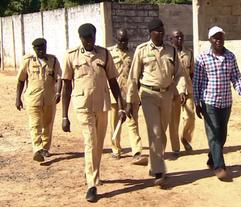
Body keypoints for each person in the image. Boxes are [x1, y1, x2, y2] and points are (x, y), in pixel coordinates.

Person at [61, 23, 126, 202]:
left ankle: (92, 173)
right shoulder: (71, 55)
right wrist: (64, 116)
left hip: (102, 104)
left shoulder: (104, 54)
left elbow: (113, 81)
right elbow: (66, 86)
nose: (90, 41)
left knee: (98, 144)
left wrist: (120, 105)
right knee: (90, 142)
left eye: (92, 37)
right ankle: (92, 184)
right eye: (87, 38)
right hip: (82, 105)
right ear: (81, 38)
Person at [126, 18, 186, 186]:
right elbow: (133, 77)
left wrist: (180, 90)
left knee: (162, 132)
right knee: (155, 132)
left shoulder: (171, 51)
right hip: (148, 95)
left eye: (162, 29)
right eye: (157, 30)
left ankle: (154, 164)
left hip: (166, 95)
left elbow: (180, 73)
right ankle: (159, 170)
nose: (160, 33)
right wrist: (130, 101)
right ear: (150, 33)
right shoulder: (141, 50)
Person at [193, 26, 241, 181]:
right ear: (210, 40)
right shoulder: (202, 58)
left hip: (226, 102)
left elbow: (236, 76)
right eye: (215, 38)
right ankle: (220, 167)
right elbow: (196, 82)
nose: (218, 40)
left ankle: (212, 158)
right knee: (213, 133)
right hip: (209, 101)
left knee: (222, 134)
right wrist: (197, 102)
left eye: (220, 37)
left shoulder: (230, 56)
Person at [15, 38, 62, 162]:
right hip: (33, 99)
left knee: (48, 124)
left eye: (43, 48)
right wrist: (17, 98)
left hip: (49, 99)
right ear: (34, 49)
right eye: (38, 49)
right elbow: (20, 80)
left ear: (46, 47)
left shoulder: (53, 60)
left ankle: (45, 148)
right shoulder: (28, 61)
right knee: (35, 124)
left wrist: (58, 92)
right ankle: (37, 149)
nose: (41, 51)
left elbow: (58, 78)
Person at [108, 28, 148, 165]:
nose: (124, 43)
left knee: (133, 122)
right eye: (121, 40)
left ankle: (136, 151)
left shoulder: (134, 54)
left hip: (131, 93)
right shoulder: (110, 53)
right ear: (116, 39)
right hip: (115, 94)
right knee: (115, 123)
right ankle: (116, 148)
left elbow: (139, 75)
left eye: (125, 40)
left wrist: (139, 94)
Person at [168, 30, 195, 158]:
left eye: (181, 37)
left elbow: (192, 72)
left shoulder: (189, 52)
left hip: (188, 89)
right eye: (177, 37)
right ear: (171, 39)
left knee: (190, 116)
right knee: (174, 121)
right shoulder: (167, 54)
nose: (179, 39)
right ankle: (175, 148)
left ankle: (184, 137)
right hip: (174, 91)